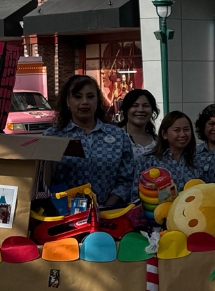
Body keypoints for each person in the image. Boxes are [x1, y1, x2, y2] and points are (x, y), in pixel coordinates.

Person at [47, 75, 137, 207]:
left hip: (109, 214)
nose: (85, 102)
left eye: (90, 96)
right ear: (67, 101)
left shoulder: (118, 136)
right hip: (62, 217)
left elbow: (127, 179)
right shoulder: (51, 138)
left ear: (98, 101)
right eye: (78, 97)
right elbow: (42, 181)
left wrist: (106, 206)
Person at [138, 111, 200, 195]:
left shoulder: (198, 158)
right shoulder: (148, 160)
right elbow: (136, 196)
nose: (182, 134)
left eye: (186, 129)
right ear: (164, 134)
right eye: (177, 130)